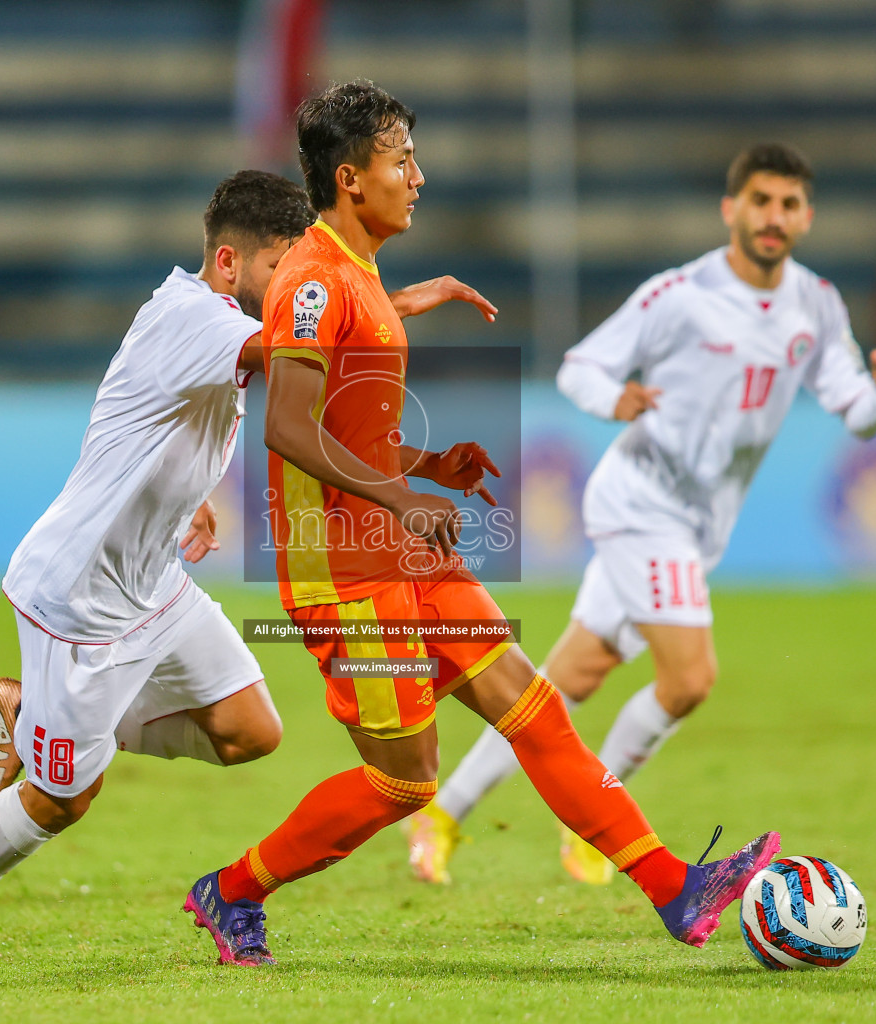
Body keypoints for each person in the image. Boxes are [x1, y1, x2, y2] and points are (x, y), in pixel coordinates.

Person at [181, 80, 779, 969]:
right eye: (401, 160)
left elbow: (354, 425)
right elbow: (288, 427)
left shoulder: (358, 269)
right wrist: (403, 500)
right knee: (404, 781)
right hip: (344, 574)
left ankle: (671, 886)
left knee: (533, 709)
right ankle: (231, 890)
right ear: (351, 179)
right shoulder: (310, 279)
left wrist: (428, 470)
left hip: (403, 551)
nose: (418, 176)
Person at [0, 169, 495, 958]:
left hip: (154, 584)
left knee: (249, 732)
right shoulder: (192, 317)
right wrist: (397, 301)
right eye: (287, 271)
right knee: (61, 800)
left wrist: (189, 497)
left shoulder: (210, 320)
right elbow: (298, 348)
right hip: (83, 600)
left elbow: (165, 418)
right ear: (233, 263)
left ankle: (30, 714)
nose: (303, 289)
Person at [404, 142, 876, 887]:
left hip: (701, 525)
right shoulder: (678, 295)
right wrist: (612, 398)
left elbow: (855, 405)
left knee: (564, 680)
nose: (773, 217)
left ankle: (445, 811)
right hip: (642, 504)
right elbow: (579, 366)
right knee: (689, 679)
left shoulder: (816, 303)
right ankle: (596, 825)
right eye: (760, 201)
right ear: (731, 209)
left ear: (806, 216)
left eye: (788, 205)